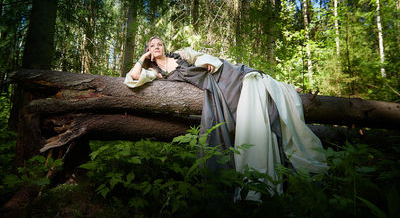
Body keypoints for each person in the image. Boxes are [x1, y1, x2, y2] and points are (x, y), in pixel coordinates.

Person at [124, 36, 328, 200]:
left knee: (250, 78)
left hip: (216, 74)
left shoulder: (179, 55)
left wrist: (207, 62)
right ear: (149, 49)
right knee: (244, 97)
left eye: (160, 44)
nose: (157, 47)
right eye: (153, 45)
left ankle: (283, 88)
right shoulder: (155, 71)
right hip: (211, 86)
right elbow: (133, 77)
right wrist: (143, 59)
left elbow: (198, 56)